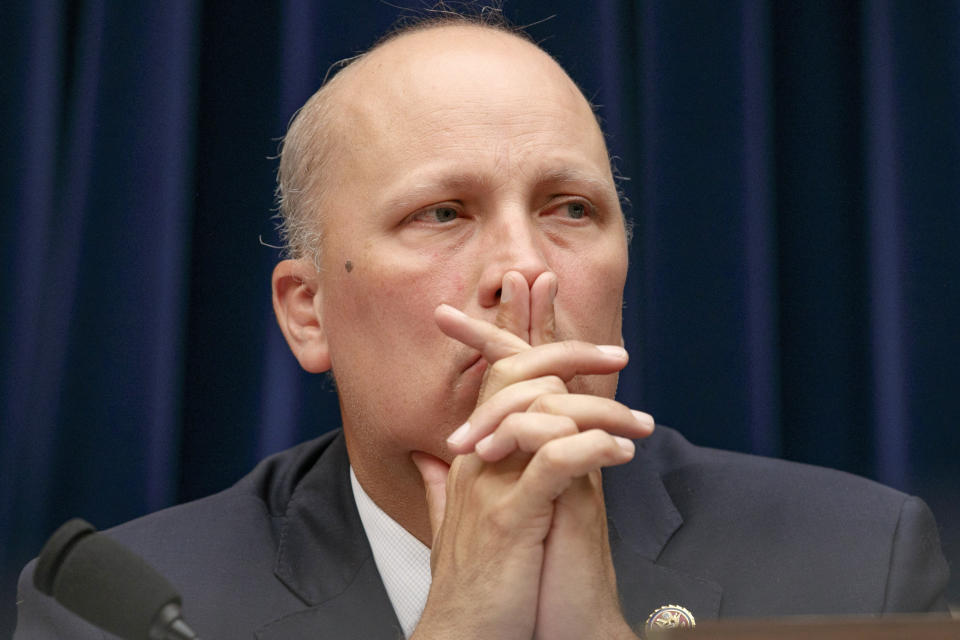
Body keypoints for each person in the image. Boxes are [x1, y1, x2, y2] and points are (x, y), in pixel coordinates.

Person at [15, 12, 949, 640]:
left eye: (571, 209)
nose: (524, 268)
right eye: (444, 214)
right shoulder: (125, 608)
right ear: (310, 314)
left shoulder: (855, 561)